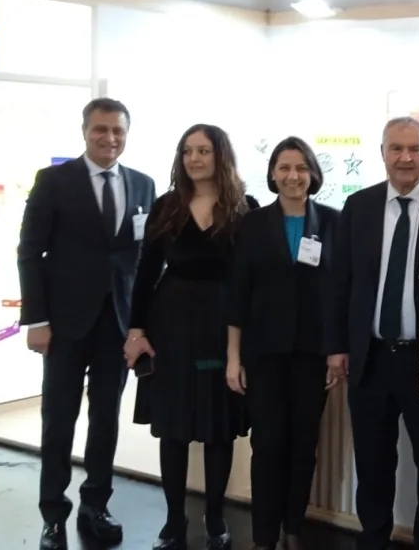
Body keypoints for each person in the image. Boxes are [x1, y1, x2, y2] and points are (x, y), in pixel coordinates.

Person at [18, 98, 157, 550]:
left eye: (118, 131)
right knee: (58, 419)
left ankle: (96, 503)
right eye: (101, 129)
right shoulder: (54, 181)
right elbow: (30, 252)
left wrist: (140, 325)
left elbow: (144, 260)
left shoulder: (143, 184)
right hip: (63, 324)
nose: (109, 138)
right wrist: (36, 320)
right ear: (85, 131)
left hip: (117, 324)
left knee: (105, 419)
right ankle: (53, 513)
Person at [124, 124, 258, 550]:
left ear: (221, 155)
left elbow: (251, 279)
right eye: (187, 151)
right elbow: (146, 271)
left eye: (203, 150)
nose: (194, 159)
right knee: (174, 427)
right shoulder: (166, 206)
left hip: (223, 328)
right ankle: (172, 519)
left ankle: (215, 516)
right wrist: (136, 330)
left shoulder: (245, 208)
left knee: (219, 427)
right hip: (171, 326)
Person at [326, 116, 419, 550]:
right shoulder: (358, 206)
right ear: (382, 152)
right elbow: (340, 282)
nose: (405, 157)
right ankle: (373, 541)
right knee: (373, 465)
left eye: (414, 149)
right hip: (371, 358)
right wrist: (337, 347)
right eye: (396, 148)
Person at [228, 136, 340, 550]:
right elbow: (238, 293)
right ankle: (263, 536)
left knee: (303, 444)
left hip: (313, 354)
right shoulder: (252, 224)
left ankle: (293, 529)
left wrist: (336, 351)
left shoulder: (333, 222)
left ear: (313, 173)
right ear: (273, 174)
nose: (293, 176)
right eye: (285, 168)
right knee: (268, 444)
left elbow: (339, 293)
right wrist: (233, 357)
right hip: (264, 353)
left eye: (301, 168)